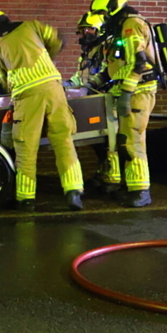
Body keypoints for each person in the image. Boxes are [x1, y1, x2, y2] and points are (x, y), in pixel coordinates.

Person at [0, 10, 85, 211]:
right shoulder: (32, 26)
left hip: (27, 95)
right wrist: (44, 59)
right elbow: (58, 40)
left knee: (26, 147)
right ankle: (74, 191)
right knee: (63, 140)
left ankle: (26, 199)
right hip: (54, 88)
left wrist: (9, 80)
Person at [89, 0, 158, 208]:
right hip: (127, 92)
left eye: (102, 13)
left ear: (111, 8)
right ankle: (129, 187)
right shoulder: (120, 28)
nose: (102, 19)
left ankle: (140, 192)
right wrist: (92, 84)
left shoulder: (131, 25)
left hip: (137, 93)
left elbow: (139, 63)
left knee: (131, 142)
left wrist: (126, 94)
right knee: (123, 141)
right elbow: (116, 67)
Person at [66, 11, 122, 195]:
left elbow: (110, 72)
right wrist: (65, 85)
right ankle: (103, 172)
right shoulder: (88, 52)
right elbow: (79, 77)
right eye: (81, 31)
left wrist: (90, 86)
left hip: (109, 101)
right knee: (98, 143)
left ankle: (113, 179)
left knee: (110, 142)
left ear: (98, 29)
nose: (83, 35)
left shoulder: (109, 47)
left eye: (87, 30)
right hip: (93, 103)